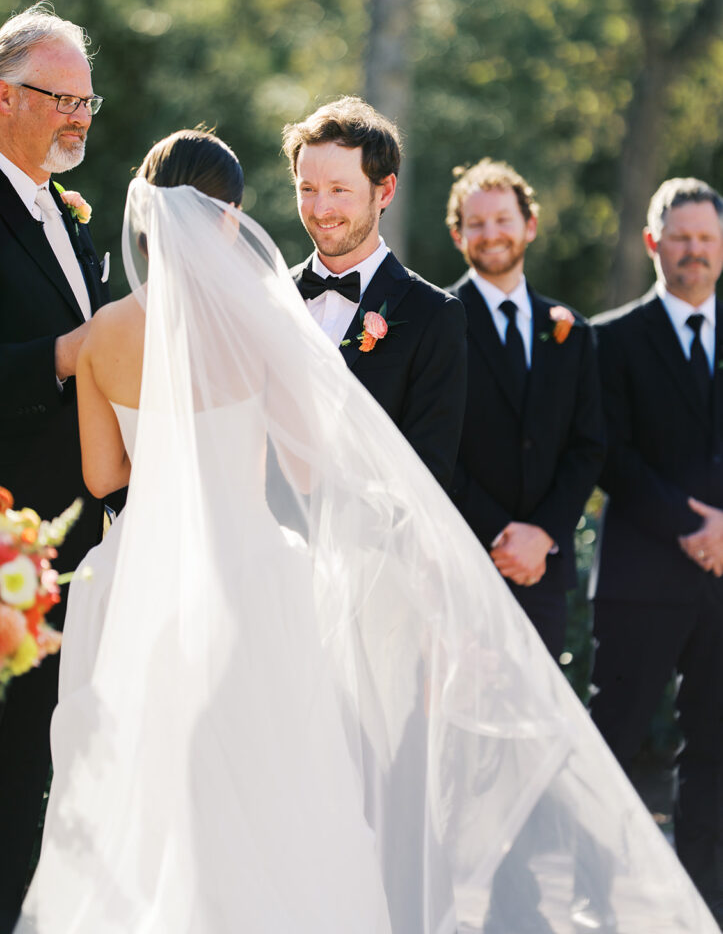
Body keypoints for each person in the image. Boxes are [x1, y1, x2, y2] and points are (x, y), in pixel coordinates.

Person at [17, 132, 719, 933]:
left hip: (140, 570)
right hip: (248, 567)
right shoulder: (257, 322)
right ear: (226, 219)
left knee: (147, 771)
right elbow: (305, 466)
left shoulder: (104, 332)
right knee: (269, 775)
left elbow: (103, 477)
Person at [0, 3, 112, 933]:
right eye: (60, 99)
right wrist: (65, 354)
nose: (79, 118)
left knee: (49, 769)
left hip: (77, 550)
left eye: (87, 102)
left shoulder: (65, 213)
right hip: (11, 548)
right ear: (4, 97)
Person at [590, 176, 723, 927]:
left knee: (715, 753)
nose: (693, 252)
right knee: (610, 746)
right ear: (653, 243)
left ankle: (704, 907)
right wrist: (690, 525)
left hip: (721, 583)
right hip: (640, 580)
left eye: (705, 239)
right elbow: (608, 453)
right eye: (680, 238)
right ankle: (595, 899)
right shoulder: (609, 339)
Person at [446, 157, 604, 660]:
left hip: (543, 571)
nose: (491, 234)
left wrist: (543, 534)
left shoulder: (571, 330)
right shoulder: (438, 324)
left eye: (503, 220)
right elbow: (432, 444)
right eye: (476, 223)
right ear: (458, 235)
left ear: (529, 225)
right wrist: (498, 533)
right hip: (461, 564)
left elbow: (588, 446)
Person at [282, 96, 466, 491]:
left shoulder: (433, 314)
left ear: (384, 191)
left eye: (339, 189)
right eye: (308, 188)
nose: (320, 209)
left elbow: (429, 472)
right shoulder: (269, 298)